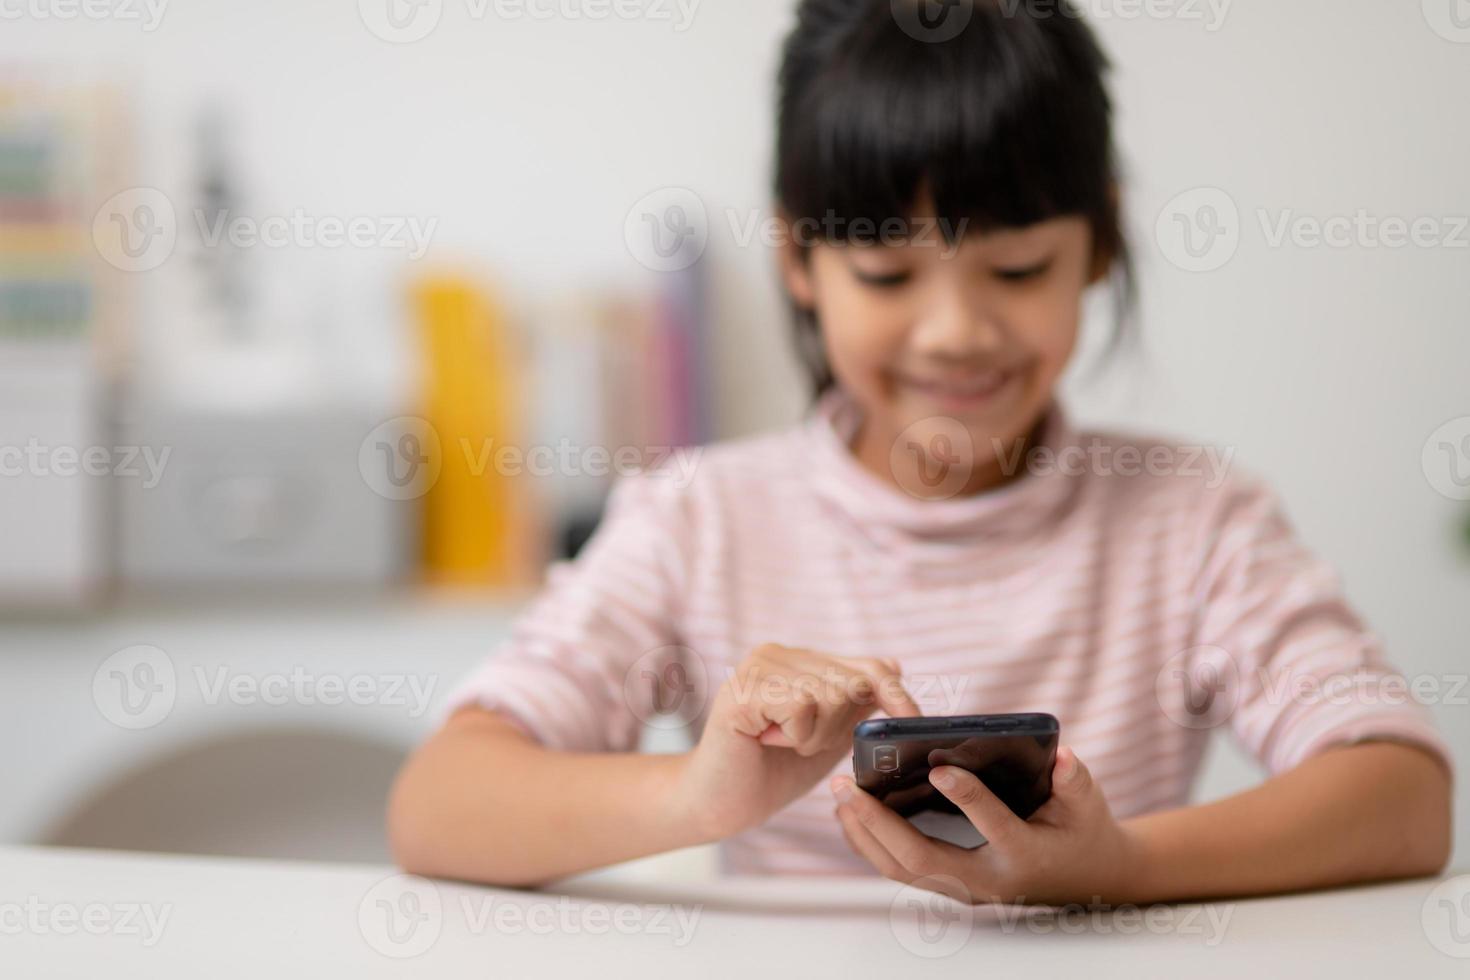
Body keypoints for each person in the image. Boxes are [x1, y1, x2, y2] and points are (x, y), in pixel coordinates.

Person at [388, 0, 1453, 905]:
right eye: (889, 278)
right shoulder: (696, 519)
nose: (954, 330)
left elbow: (1403, 797)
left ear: (1101, 244)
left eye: (1019, 267)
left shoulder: (1194, 518)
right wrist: (692, 798)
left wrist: (1115, 864)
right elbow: (438, 802)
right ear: (798, 259)